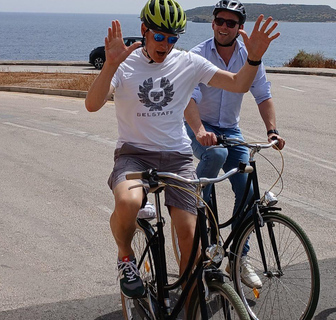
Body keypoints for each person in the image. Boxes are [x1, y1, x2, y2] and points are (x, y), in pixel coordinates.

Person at [85, 0, 279, 299]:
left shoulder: (189, 62)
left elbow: (239, 85)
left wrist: (253, 59)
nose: (165, 45)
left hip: (177, 157)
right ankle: (126, 258)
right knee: (129, 202)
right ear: (144, 31)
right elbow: (92, 104)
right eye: (159, 37)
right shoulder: (125, 63)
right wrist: (110, 65)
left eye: (172, 38)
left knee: (191, 248)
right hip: (133, 153)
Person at [184, 0, 286, 289]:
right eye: (220, 21)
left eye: (231, 23)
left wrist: (272, 132)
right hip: (198, 126)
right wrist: (200, 130)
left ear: (240, 27)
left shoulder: (249, 56)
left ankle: (239, 256)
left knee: (250, 190)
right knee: (214, 156)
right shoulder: (198, 55)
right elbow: (188, 99)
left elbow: (263, 95)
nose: (224, 27)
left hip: (230, 128)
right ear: (213, 23)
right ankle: (206, 227)